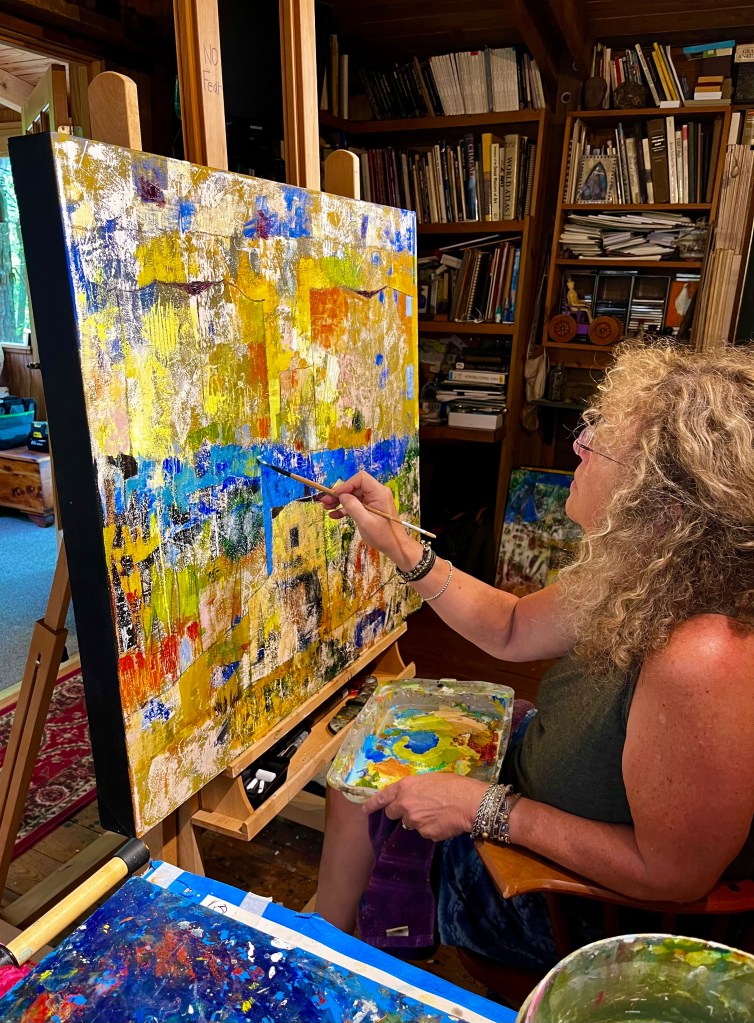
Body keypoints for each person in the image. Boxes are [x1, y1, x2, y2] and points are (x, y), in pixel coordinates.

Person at [314, 342, 754, 971]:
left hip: (574, 903)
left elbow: (672, 875)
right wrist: (399, 544)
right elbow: (512, 627)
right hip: (532, 789)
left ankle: (332, 960)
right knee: (366, 749)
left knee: (370, 785)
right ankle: (326, 939)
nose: (578, 446)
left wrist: (485, 808)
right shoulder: (648, 569)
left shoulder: (707, 654)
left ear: (664, 506)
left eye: (600, 443)